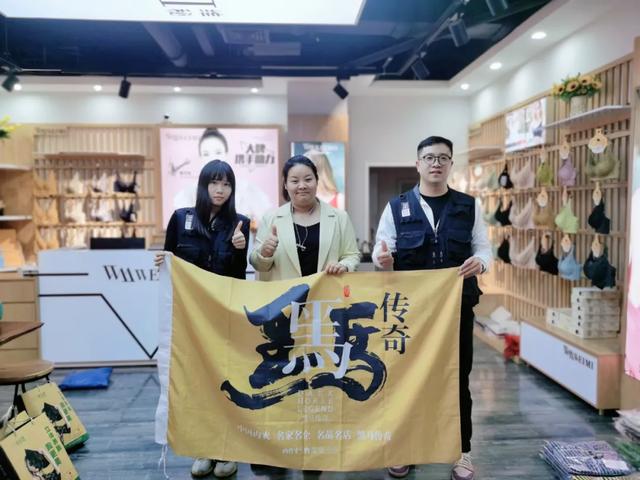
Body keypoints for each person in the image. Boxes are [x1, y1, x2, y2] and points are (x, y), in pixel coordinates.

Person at [372, 136, 492, 480]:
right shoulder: (397, 207)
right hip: (411, 312)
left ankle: (461, 452)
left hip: (457, 309)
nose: (435, 163)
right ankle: (404, 447)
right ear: (418, 164)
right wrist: (382, 260)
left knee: (458, 379)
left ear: (451, 164)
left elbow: (484, 249)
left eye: (442, 158)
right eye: (429, 157)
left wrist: (481, 263)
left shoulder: (469, 206)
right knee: (407, 379)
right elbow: (383, 250)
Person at [156, 159, 249, 478]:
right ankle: (204, 449)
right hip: (191, 320)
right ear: (203, 185)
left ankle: (227, 450)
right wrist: (161, 261)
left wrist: (240, 249)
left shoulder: (240, 224)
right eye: (214, 182)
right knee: (196, 383)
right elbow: (170, 262)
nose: (220, 190)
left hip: (223, 319)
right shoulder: (181, 218)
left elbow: (238, 277)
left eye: (226, 184)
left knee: (225, 380)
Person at [250, 154, 359, 279]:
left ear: (317, 181)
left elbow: (352, 255)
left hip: (327, 290)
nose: (302, 186)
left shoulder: (340, 218)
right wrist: (264, 253)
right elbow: (257, 264)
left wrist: (344, 265)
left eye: (308, 179)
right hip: (284, 291)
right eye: (295, 181)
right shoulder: (270, 218)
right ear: (285, 185)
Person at [172, 128, 274, 231]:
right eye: (206, 154)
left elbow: (268, 222)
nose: (213, 158)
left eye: (218, 152)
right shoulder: (186, 195)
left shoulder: (247, 189)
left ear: (226, 154)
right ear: (200, 158)